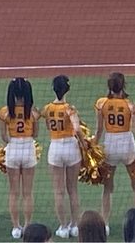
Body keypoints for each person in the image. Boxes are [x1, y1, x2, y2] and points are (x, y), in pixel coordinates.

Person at [94, 72, 135, 234]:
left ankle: (105, 223)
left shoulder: (101, 104)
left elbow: (99, 130)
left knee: (107, 188)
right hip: (127, 145)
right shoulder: (130, 105)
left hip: (110, 145)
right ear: (123, 85)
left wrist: (92, 149)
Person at [41, 75, 83, 239]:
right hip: (71, 147)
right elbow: (77, 128)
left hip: (55, 148)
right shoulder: (70, 108)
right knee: (73, 190)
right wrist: (83, 143)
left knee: (58, 192)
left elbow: (43, 122)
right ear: (67, 89)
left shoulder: (47, 108)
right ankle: (75, 225)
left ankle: (63, 227)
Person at [0, 77, 40, 239]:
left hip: (13, 149)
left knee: (14, 192)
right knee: (28, 192)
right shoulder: (33, 113)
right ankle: (28, 225)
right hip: (28, 148)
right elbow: (35, 134)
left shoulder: (5, 112)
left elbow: (4, 137)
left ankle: (16, 227)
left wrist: (13, 141)